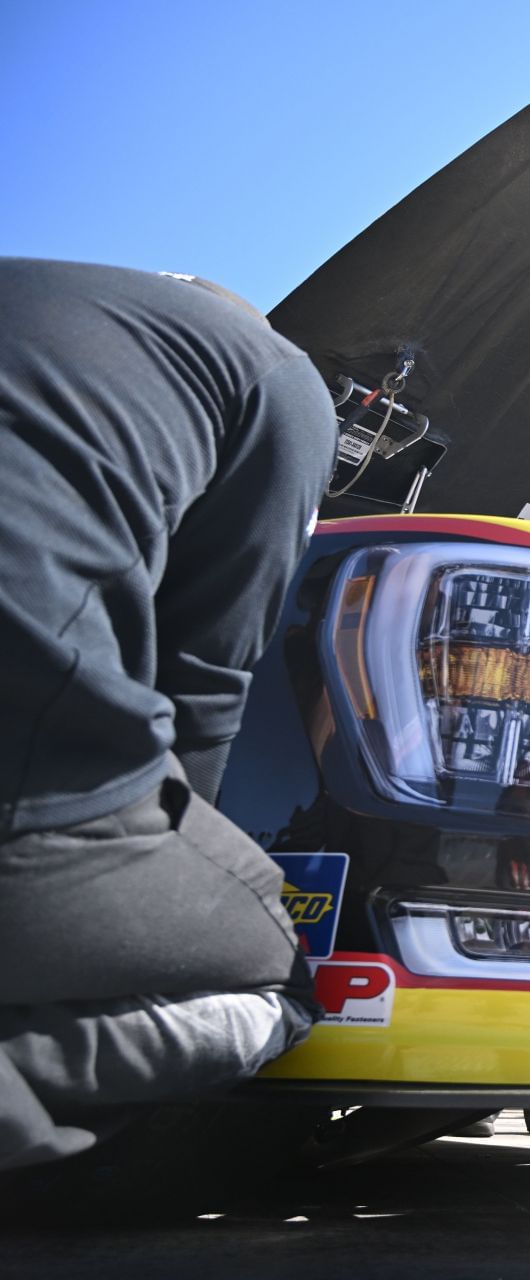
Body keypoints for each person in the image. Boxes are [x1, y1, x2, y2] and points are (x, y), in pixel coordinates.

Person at [0, 258, 339, 1172]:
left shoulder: (35, 296)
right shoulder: (274, 372)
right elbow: (204, 675)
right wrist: (200, 839)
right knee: (283, 973)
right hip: (24, 768)